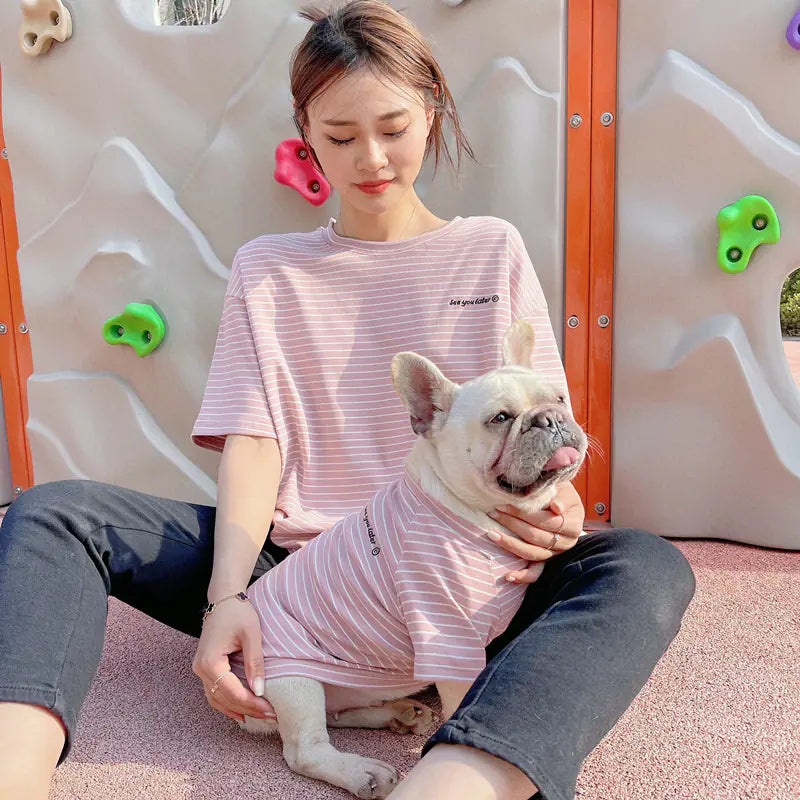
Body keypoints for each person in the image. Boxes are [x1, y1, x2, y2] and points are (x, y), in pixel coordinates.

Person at [0, 2, 696, 799]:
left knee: (645, 566)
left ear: (432, 109)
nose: (371, 158)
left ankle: (451, 784)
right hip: (300, 576)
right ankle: (14, 772)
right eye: (339, 136)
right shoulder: (268, 269)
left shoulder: (491, 250)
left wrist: (560, 512)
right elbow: (256, 441)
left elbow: (548, 433)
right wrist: (229, 597)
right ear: (305, 130)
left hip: (466, 558)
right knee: (53, 513)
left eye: (393, 128)